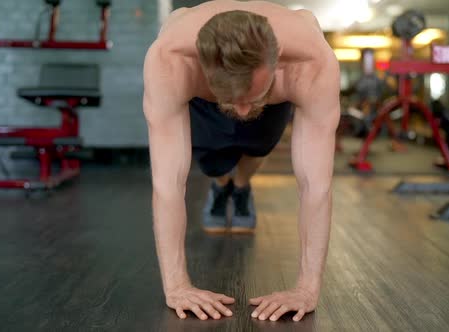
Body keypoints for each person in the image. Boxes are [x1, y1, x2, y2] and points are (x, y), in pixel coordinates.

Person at [142, 0, 340, 322]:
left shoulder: (311, 61)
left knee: (257, 145)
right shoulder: (170, 61)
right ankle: (222, 184)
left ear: (275, 64)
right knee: (212, 162)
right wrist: (176, 285)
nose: (244, 111)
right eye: (235, 100)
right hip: (207, 99)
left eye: (252, 98)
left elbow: (315, 185)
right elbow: (167, 183)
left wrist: (307, 287)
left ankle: (242, 185)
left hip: (273, 94)